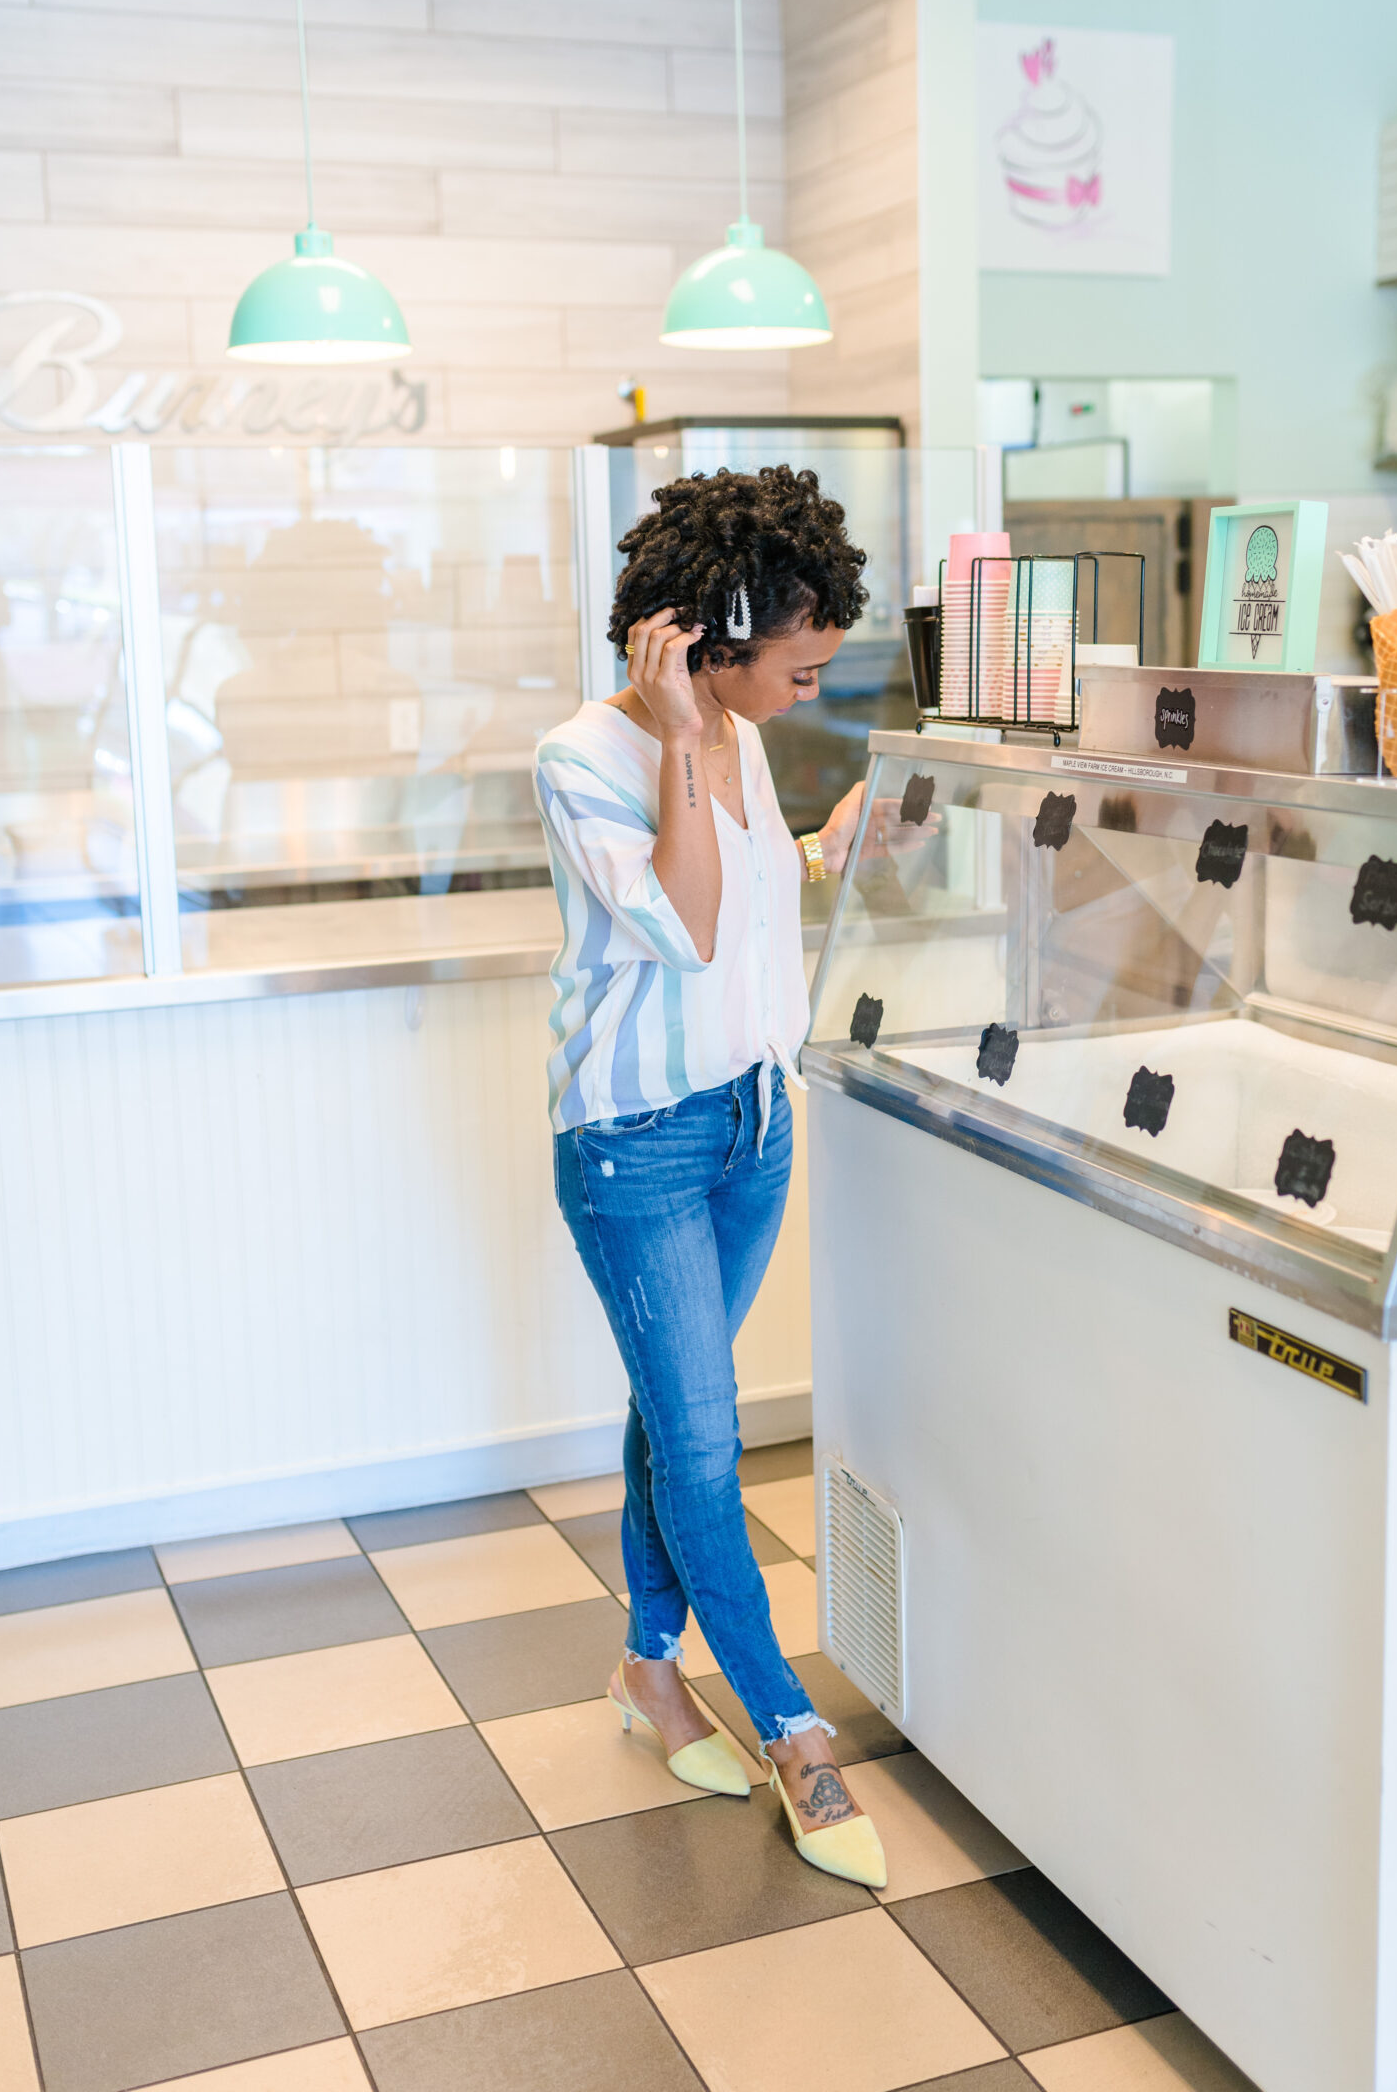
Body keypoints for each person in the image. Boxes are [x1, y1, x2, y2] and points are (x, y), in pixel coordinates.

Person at [533, 464, 887, 1886]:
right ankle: (794, 1730)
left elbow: (739, 893)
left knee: (669, 1416)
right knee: (700, 1443)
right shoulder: (588, 754)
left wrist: (818, 844)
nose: (814, 680)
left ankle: (648, 1671)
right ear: (714, 635)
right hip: (637, 1146)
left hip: (752, 1122)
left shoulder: (739, 735)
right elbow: (680, 924)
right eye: (798, 654)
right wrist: (680, 731)